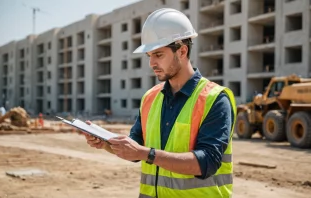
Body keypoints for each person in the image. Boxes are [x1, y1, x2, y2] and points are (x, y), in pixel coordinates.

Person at [84, 8, 236, 198]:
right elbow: (136, 147)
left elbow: (207, 163)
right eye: (149, 56)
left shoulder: (215, 99)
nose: (152, 63)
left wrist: (146, 153)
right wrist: (106, 142)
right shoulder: (150, 98)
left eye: (158, 54)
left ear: (182, 51)